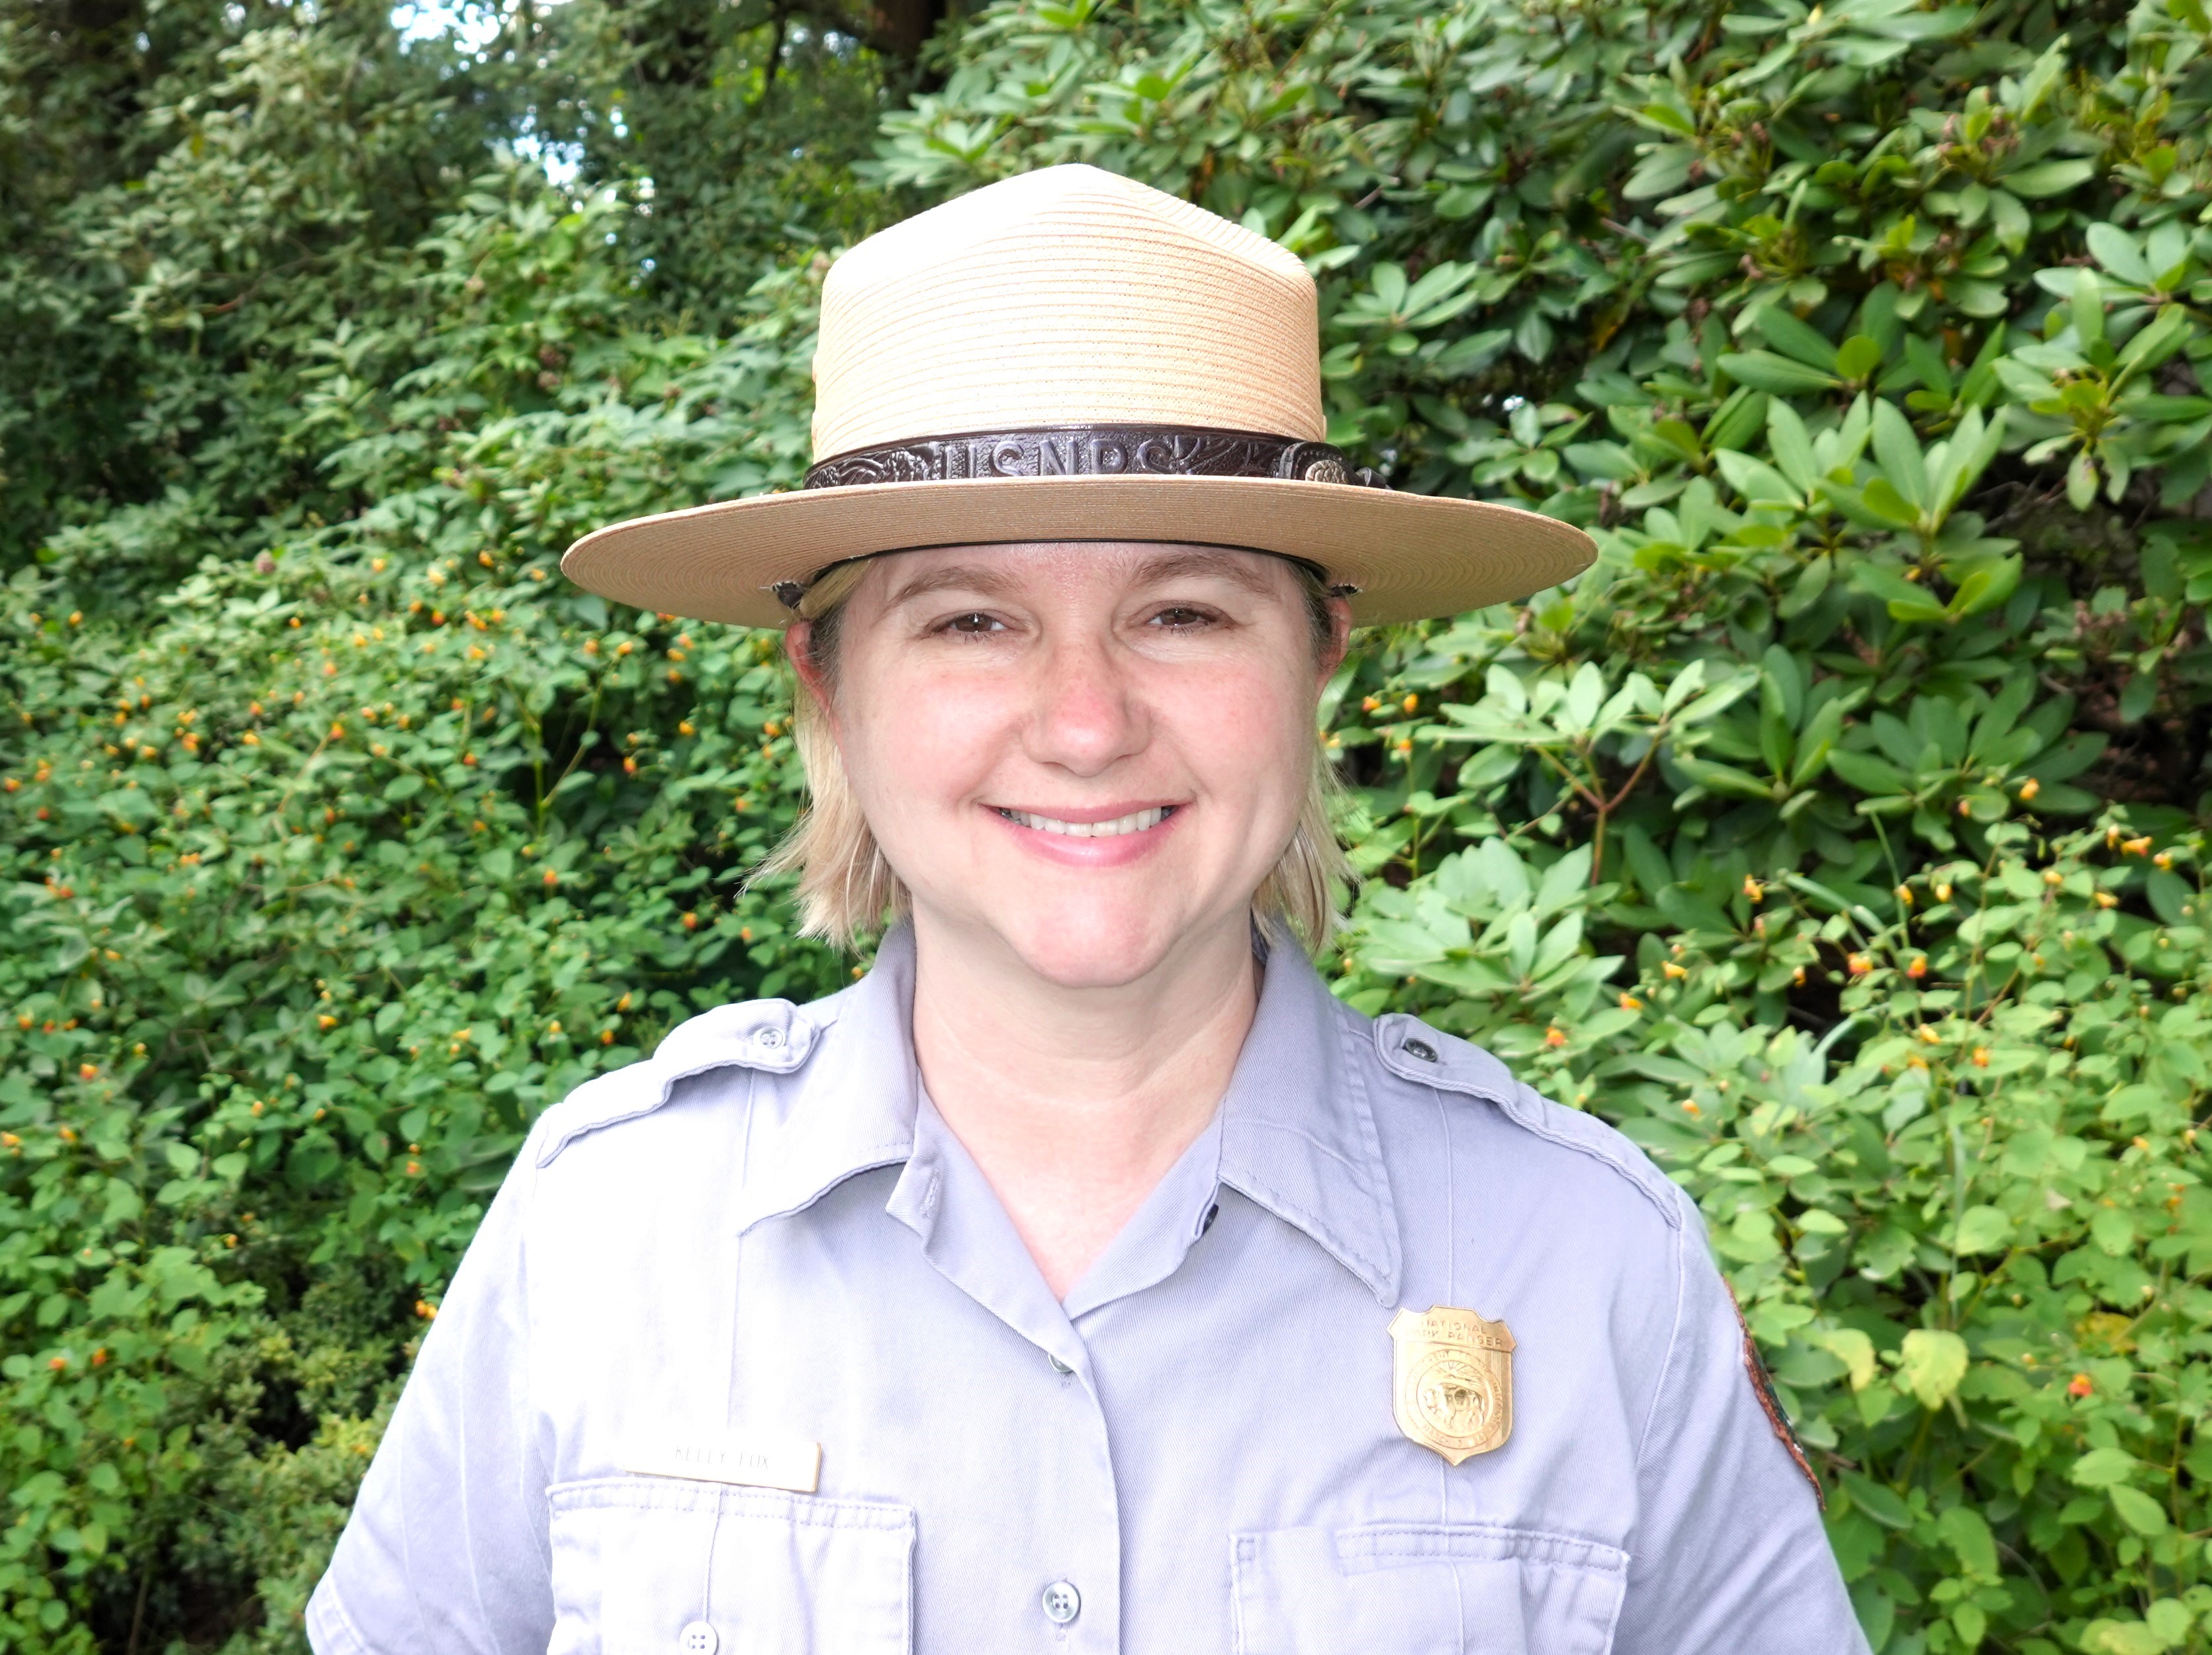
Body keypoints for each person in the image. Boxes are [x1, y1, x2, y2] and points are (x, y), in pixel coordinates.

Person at [308, 164, 1868, 1654]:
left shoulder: (1588, 1261)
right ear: (830, 687)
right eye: (971, 620)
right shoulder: (605, 1231)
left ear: (1318, 659)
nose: (1082, 721)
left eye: (1182, 613)